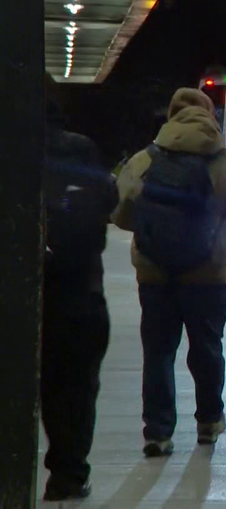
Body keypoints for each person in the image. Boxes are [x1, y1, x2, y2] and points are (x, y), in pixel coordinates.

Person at [112, 88, 226, 457]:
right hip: (207, 275)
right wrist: (219, 227)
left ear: (172, 116)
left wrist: (153, 231)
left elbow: (120, 213)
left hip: (155, 276)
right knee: (207, 348)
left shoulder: (145, 159)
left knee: (159, 353)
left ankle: (158, 432)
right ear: (209, 114)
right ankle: (209, 422)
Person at [41, 73, 118, 501]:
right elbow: (110, 201)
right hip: (79, 293)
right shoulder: (81, 149)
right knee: (75, 389)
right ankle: (68, 475)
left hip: (24, 295)